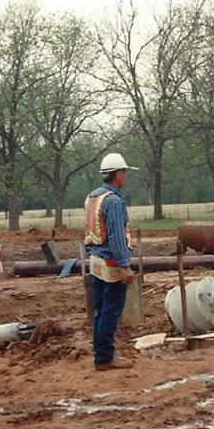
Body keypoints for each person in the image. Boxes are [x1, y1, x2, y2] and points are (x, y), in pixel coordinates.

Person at [84, 153, 137, 370]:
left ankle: (101, 355)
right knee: (111, 311)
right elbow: (116, 236)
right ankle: (105, 358)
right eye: (124, 172)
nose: (125, 176)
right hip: (111, 263)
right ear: (116, 174)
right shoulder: (113, 201)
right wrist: (125, 266)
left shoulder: (93, 197)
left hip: (95, 260)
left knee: (100, 310)